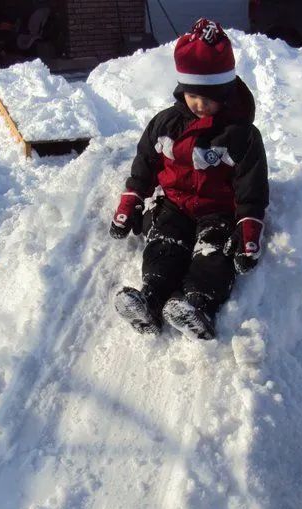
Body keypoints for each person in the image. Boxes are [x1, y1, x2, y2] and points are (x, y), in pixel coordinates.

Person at [109, 18, 269, 340]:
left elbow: (251, 180)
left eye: (208, 98)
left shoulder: (240, 135)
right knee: (163, 243)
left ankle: (197, 305)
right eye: (193, 95)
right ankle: (151, 299)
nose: (199, 104)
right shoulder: (166, 124)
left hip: (218, 210)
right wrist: (133, 196)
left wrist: (249, 222)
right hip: (175, 204)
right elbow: (146, 162)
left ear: (225, 92)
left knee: (213, 253)